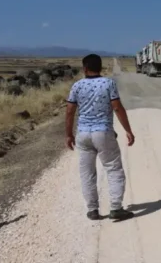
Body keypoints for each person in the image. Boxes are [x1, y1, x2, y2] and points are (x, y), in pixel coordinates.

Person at [65, 54, 136, 221]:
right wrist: (128, 130)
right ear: (100, 67)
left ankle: (92, 210)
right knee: (113, 169)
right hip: (103, 133)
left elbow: (69, 111)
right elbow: (117, 108)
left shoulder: (77, 86)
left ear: (85, 68)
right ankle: (116, 208)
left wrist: (68, 134)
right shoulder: (108, 83)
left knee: (87, 173)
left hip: (83, 134)